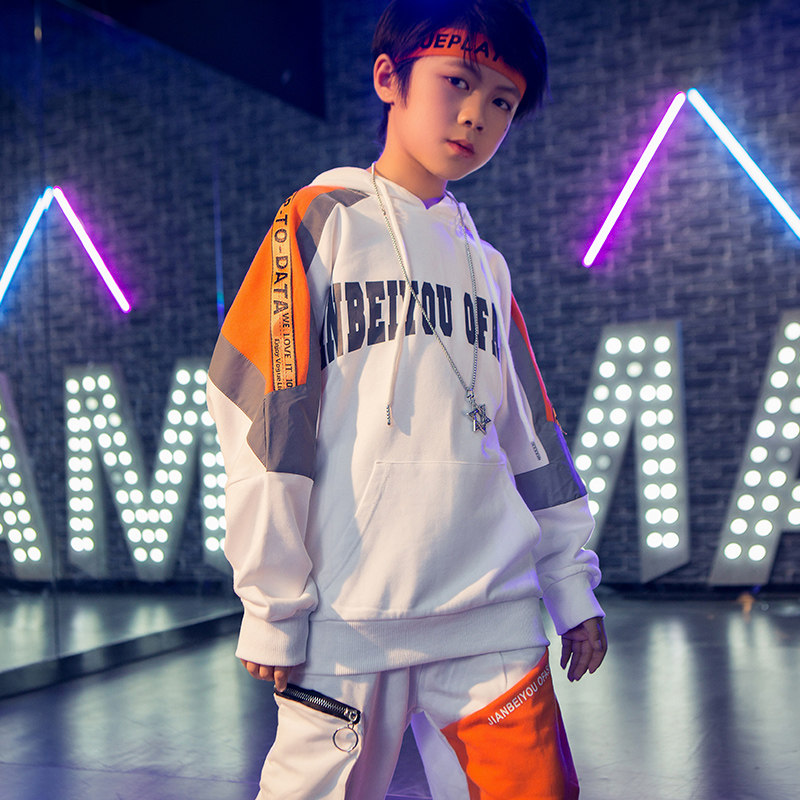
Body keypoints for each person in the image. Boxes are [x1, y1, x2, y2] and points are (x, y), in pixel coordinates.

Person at [207, 1, 607, 797]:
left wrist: (571, 584)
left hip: (492, 612)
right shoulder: (318, 222)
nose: (477, 114)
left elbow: (532, 438)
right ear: (389, 77)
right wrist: (272, 600)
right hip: (349, 616)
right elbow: (265, 413)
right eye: (458, 80)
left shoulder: (488, 267)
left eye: (502, 100)